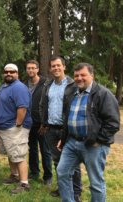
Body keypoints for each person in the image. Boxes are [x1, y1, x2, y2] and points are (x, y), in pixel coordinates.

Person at [56, 63, 120, 202]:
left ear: (91, 75)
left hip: (93, 145)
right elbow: (67, 117)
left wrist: (98, 140)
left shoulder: (103, 93)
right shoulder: (72, 92)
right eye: (76, 76)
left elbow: (113, 122)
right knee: (62, 173)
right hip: (71, 142)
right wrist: (64, 137)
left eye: (83, 75)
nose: (79, 78)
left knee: (96, 183)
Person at [39, 56, 82, 202]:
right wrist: (44, 122)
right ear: (50, 69)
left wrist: (69, 127)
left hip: (68, 130)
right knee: (57, 161)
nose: (55, 68)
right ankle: (62, 187)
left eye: (58, 65)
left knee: (72, 162)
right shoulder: (47, 85)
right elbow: (43, 105)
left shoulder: (73, 85)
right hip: (51, 129)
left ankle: (76, 192)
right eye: (53, 66)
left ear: (64, 67)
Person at [0, 64, 32, 194]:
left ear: (17, 73)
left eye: (12, 72)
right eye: (6, 72)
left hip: (15, 128)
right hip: (4, 127)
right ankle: (14, 175)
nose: (8, 74)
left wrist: (17, 124)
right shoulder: (5, 87)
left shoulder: (19, 88)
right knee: (12, 153)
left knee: (19, 155)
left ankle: (24, 183)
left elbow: (22, 108)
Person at [23, 60, 53, 186]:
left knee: (45, 150)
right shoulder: (23, 84)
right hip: (29, 123)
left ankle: (48, 177)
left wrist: (45, 122)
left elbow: (50, 103)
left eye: (33, 68)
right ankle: (34, 171)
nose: (30, 70)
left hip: (42, 124)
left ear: (37, 69)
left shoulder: (46, 84)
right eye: (28, 68)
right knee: (32, 149)